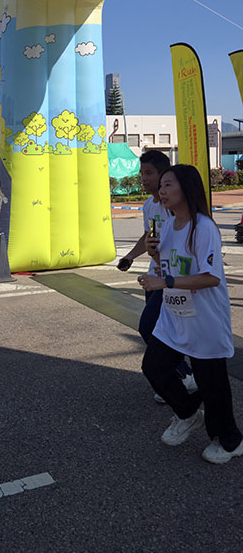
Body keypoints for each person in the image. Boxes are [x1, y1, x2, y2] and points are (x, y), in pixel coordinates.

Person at [139, 164, 243, 464]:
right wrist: (154, 255)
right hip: (174, 317)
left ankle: (230, 441)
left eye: (168, 185)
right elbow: (167, 268)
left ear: (186, 189)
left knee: (213, 385)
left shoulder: (203, 228)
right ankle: (187, 413)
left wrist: (165, 283)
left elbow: (211, 278)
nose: (161, 190)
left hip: (203, 320)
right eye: (161, 185)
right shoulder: (169, 225)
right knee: (154, 367)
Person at [117, 150, 195, 397]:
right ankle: (177, 376)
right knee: (161, 329)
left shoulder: (174, 206)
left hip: (172, 278)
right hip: (155, 276)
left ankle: (183, 374)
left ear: (164, 175)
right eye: (141, 173)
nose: (143, 178)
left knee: (149, 327)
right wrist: (130, 257)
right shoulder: (149, 205)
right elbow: (148, 237)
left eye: (149, 173)